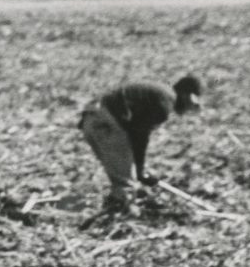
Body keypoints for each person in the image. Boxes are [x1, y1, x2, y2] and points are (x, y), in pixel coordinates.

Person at [79, 74, 203, 214]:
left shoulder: (161, 93)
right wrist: (140, 169)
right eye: (192, 104)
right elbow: (139, 135)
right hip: (106, 122)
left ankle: (109, 213)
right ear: (188, 95)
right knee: (125, 184)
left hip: (90, 119)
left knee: (121, 176)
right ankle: (116, 218)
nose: (188, 110)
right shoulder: (165, 103)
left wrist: (138, 169)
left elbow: (134, 130)